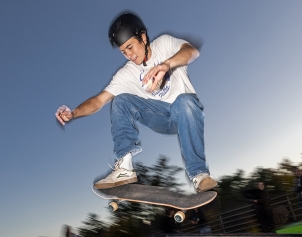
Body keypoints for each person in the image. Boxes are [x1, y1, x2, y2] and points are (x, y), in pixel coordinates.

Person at [55, 12, 217, 193]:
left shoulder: (163, 44)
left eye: (131, 47)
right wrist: (74, 112)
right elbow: (99, 100)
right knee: (120, 100)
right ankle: (124, 168)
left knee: (185, 101)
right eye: (124, 52)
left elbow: (190, 51)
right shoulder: (126, 74)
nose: (129, 55)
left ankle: (199, 175)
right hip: (161, 118)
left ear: (143, 37)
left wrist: (166, 65)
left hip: (187, 114)